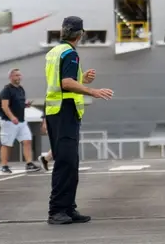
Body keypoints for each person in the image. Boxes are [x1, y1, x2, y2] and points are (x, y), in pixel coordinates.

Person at [44, 15, 113, 225]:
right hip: (65, 111)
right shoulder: (70, 54)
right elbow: (66, 83)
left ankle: (68, 208)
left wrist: (82, 80)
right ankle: (57, 210)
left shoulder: (55, 51)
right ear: (80, 34)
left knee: (69, 162)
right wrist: (92, 91)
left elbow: (60, 81)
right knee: (66, 162)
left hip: (56, 111)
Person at [0, 68, 40, 174]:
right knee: (7, 144)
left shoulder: (21, 89)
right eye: (16, 75)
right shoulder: (6, 90)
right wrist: (12, 117)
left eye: (20, 75)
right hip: (9, 122)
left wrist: (26, 105)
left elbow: (18, 103)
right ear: (10, 77)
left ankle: (29, 163)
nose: (19, 77)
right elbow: (4, 106)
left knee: (27, 141)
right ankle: (4, 166)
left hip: (21, 121)